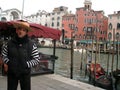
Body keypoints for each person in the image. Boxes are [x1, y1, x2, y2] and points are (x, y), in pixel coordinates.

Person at [1, 20, 40, 90]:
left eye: (24, 30)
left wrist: (26, 64)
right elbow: (4, 55)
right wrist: (9, 63)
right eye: (19, 29)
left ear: (26, 32)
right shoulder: (9, 43)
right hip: (12, 73)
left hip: (25, 74)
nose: (21, 31)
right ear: (16, 30)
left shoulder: (31, 44)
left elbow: (36, 59)